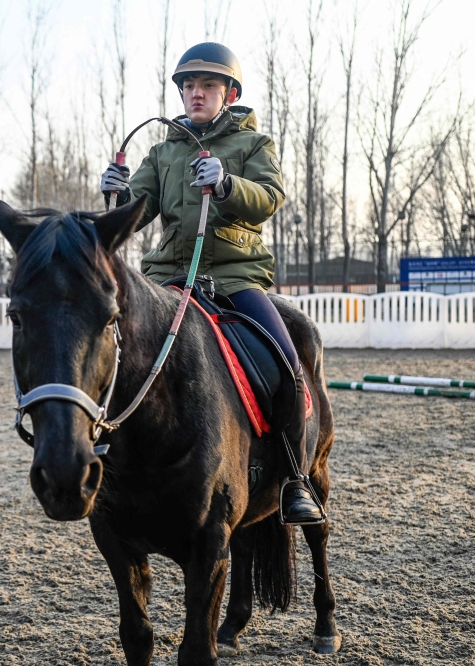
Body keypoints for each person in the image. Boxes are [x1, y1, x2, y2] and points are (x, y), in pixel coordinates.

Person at [99, 42, 323, 525]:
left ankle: (293, 481)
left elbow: (269, 198)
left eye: (206, 86)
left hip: (234, 277)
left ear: (229, 93)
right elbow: (133, 216)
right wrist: (115, 193)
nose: (195, 94)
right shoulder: (163, 152)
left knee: (286, 366)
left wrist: (225, 184)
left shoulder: (253, 145)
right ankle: (103, 459)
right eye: (188, 87)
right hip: (166, 281)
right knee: (111, 353)